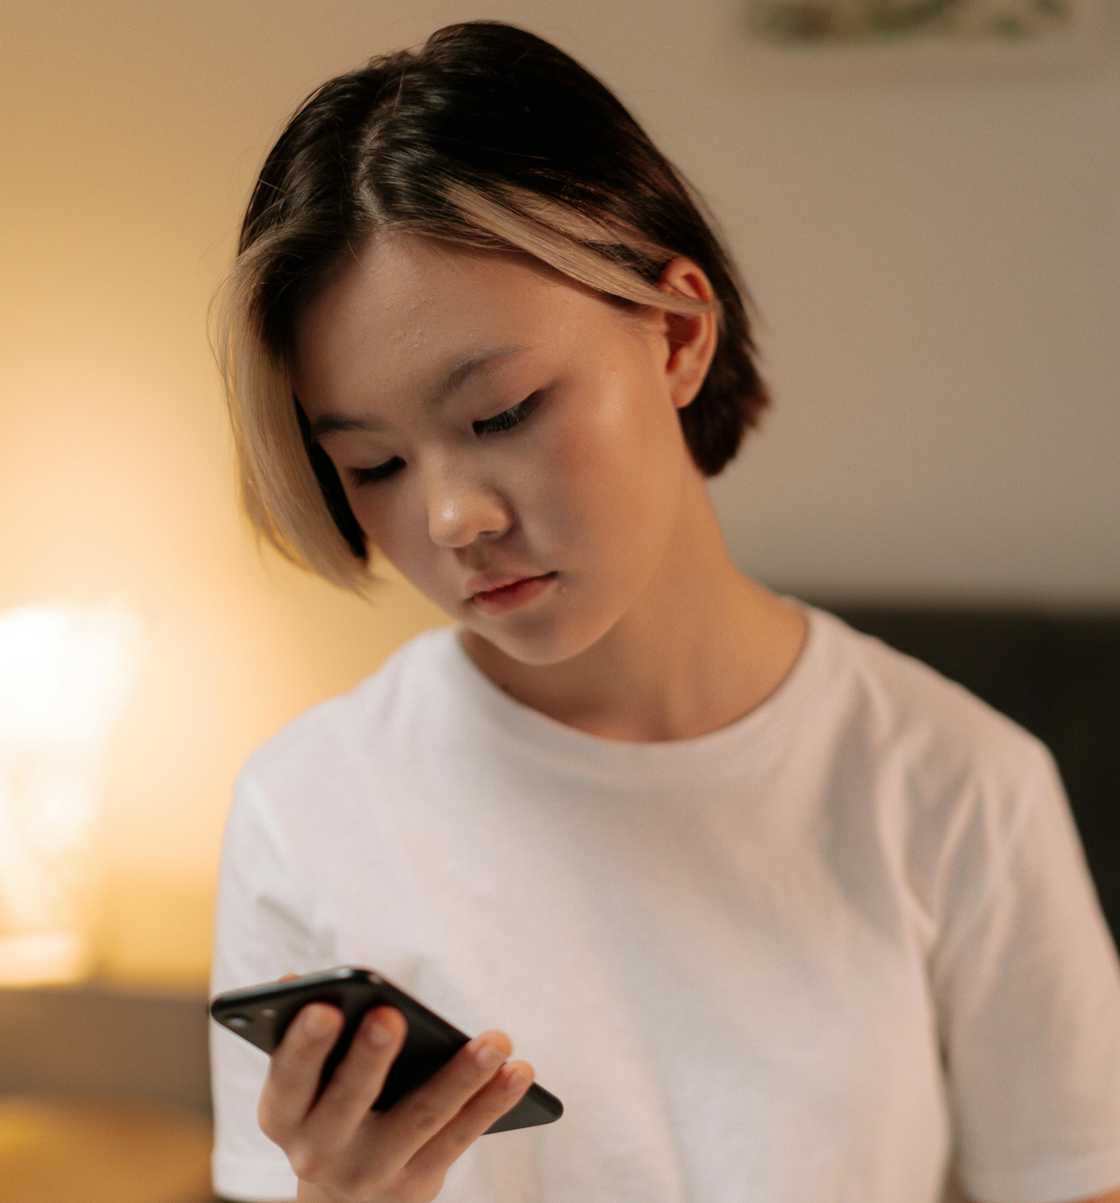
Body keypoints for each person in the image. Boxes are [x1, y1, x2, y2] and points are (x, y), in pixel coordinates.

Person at [206, 19, 1120, 1203]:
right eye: (373, 465)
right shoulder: (309, 805)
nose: (449, 519)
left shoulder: (953, 787)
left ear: (679, 334)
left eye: (499, 414)